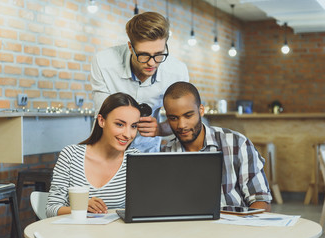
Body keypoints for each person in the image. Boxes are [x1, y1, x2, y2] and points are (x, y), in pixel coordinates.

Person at [162, 82, 272, 211]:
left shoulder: (237, 143)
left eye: (188, 115)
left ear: (201, 110)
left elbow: (261, 201)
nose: (181, 125)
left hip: (235, 226)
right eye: (173, 118)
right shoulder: (166, 153)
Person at [90, 11, 189, 153]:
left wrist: (160, 128)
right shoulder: (103, 63)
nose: (152, 63)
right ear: (130, 47)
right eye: (144, 55)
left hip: (148, 150)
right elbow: (103, 117)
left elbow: (183, 120)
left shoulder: (177, 71)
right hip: (107, 147)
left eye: (159, 54)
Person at [46, 93, 141, 218]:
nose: (128, 134)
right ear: (101, 121)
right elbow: (51, 209)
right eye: (120, 124)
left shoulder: (135, 159)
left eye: (133, 126)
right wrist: (81, 207)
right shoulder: (70, 155)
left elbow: (143, 208)